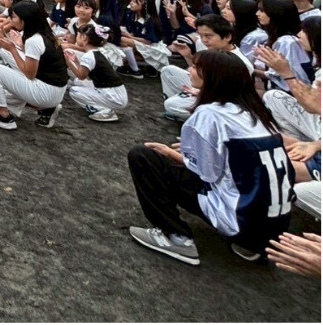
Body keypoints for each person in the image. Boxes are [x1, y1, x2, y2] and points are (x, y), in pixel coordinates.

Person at [127, 50, 295, 266]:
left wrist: (173, 155)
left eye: (195, 67)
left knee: (143, 156)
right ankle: (251, 246)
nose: (189, 70)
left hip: (240, 224)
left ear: (212, 77)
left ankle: (175, 237)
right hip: (273, 231)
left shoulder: (210, 113)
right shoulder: (258, 114)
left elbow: (206, 174)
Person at [0, 0, 69, 131]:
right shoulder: (45, 34)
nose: (11, 20)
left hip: (46, 92)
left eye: (14, 17)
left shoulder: (34, 40)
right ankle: (47, 110)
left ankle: (3, 117)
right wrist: (6, 41)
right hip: (54, 92)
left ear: (25, 19)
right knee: (2, 93)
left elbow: (29, 74)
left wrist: (12, 49)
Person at [161, 15, 252, 122]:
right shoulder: (203, 44)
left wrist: (201, 93)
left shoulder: (240, 63)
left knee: (172, 104)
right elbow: (199, 70)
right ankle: (180, 111)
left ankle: (200, 121)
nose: (204, 40)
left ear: (227, 37)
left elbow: (233, 96)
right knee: (168, 71)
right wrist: (188, 56)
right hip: (204, 87)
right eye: (201, 35)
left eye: (208, 36)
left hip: (222, 100)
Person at [64, 21, 129, 122]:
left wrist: (67, 61)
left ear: (84, 38)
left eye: (78, 35)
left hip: (114, 97)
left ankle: (104, 111)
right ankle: (104, 108)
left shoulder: (89, 56)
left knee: (74, 91)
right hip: (117, 93)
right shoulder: (96, 52)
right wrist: (76, 61)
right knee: (77, 82)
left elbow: (81, 75)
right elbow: (87, 76)